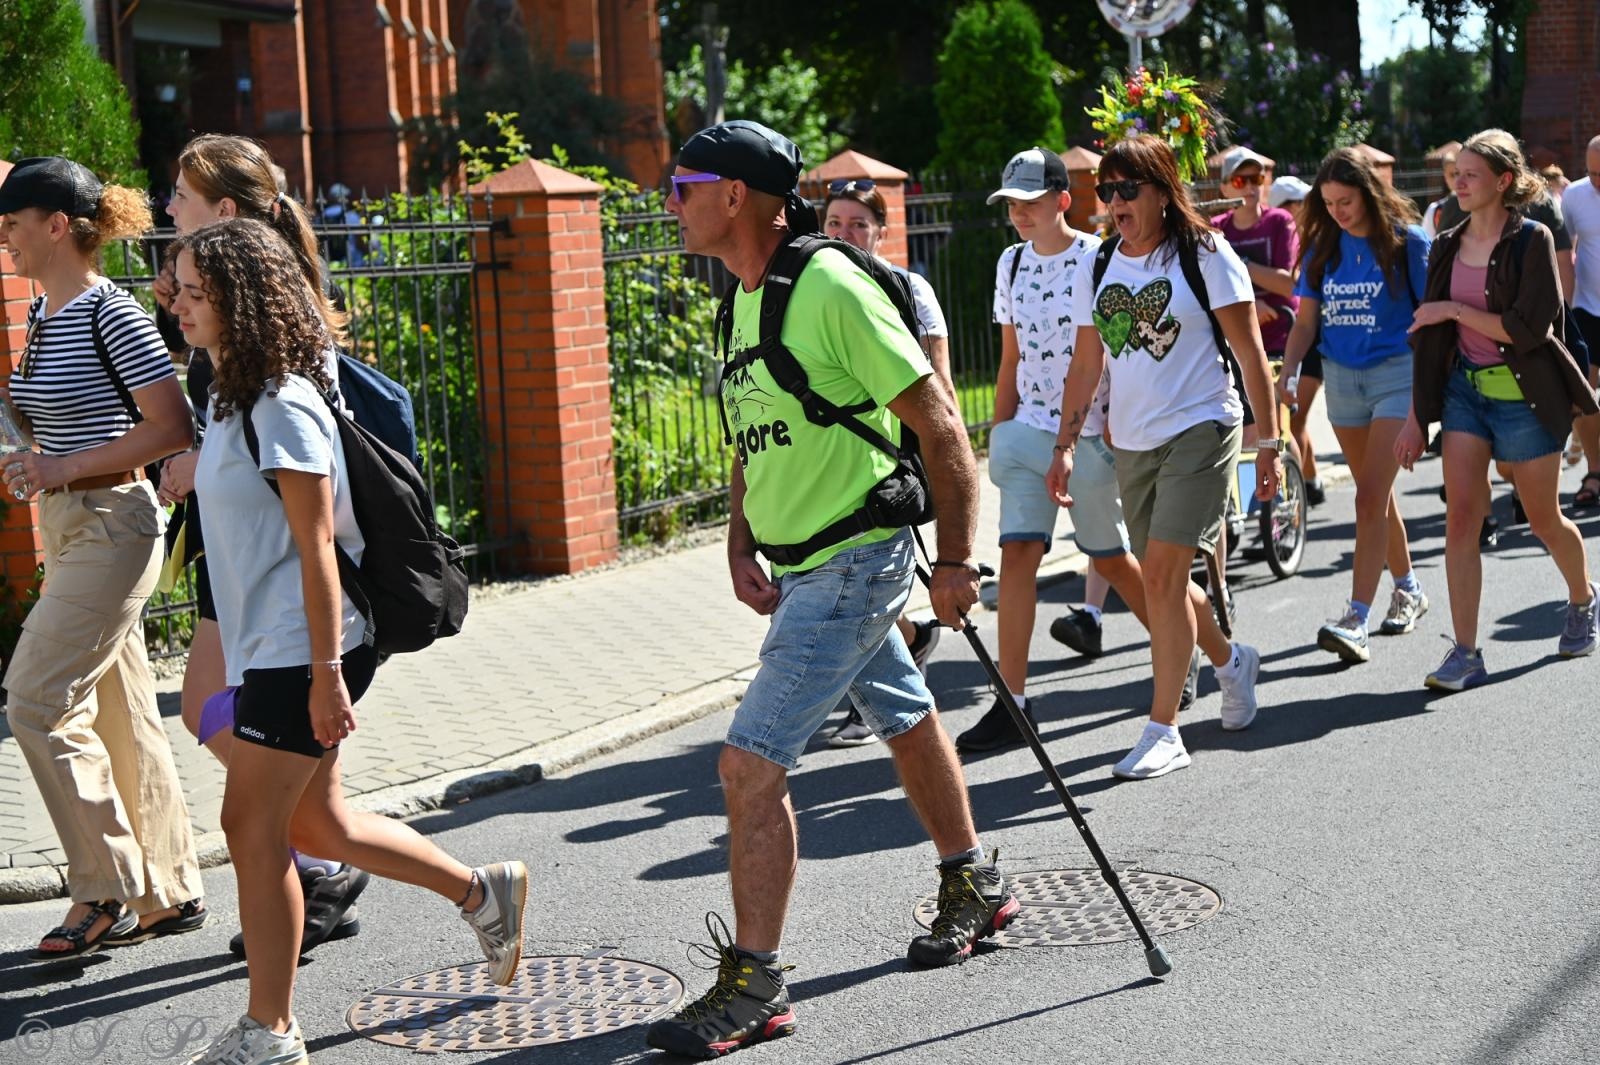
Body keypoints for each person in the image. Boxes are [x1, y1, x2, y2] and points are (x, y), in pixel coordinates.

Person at [649, 120, 1014, 1056]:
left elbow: (941, 426)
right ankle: (973, 880)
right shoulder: (740, 298)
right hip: (803, 559)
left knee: (748, 764)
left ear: (737, 195)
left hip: (859, 555)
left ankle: (756, 983)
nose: (670, 198)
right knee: (903, 712)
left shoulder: (831, 286)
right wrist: (739, 542)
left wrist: (959, 560)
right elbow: (751, 432)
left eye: (683, 182)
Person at [168, 218, 527, 1065]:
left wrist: (328, 673)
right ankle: (484, 891)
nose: (174, 302)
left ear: (239, 301)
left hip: (309, 645)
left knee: (250, 825)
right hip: (276, 645)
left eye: (192, 291)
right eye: (176, 286)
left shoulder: (283, 404)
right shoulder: (227, 391)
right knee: (317, 822)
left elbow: (317, 548)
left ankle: (272, 1028)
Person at [155, 133, 370, 957]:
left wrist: (325, 668)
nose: (169, 204)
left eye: (181, 193)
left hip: (279, 570)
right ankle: (319, 856)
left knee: (231, 729)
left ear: (227, 211)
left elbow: (296, 472)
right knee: (248, 739)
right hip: (244, 553)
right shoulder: (229, 297)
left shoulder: (267, 313)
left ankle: (316, 863)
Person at [0, 157, 205, 957]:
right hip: (70, 522)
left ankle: (103, 886)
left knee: (36, 699)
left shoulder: (106, 311)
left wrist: (60, 466)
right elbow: (56, 421)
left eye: (13, 225)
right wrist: (32, 452)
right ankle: (167, 888)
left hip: (114, 522)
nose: (5, 240)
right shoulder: (45, 315)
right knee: (119, 715)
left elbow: (173, 427)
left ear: (57, 226)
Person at [1045, 134, 1279, 780]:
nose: (1115, 202)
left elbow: (1252, 352)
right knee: (1161, 580)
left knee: (1163, 576)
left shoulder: (1203, 254)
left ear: (1161, 191)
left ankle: (1163, 728)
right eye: (1107, 190)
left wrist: (1271, 442)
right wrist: (1064, 445)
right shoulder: (1100, 266)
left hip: (1203, 426)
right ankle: (1234, 662)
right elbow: (1087, 361)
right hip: (1134, 439)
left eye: (1129, 189)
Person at [959, 147, 1161, 753]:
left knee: (1111, 557)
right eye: (1012, 203)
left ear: (1062, 201)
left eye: (1032, 201)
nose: (1020, 213)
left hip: (1089, 435)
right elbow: (1010, 356)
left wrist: (1072, 440)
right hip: (1025, 431)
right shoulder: (1012, 263)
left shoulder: (1098, 260)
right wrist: (999, 431)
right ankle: (1013, 704)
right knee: (1017, 555)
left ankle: (1181, 655)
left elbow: (1091, 357)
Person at [1396, 128, 1600, 688]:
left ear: (1503, 181)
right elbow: (1430, 338)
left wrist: (1452, 311)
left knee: (1542, 520)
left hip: (1527, 398)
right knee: (1462, 517)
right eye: (1455, 173)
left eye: (1471, 175)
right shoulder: (1444, 242)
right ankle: (1466, 651)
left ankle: (1582, 599)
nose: (1458, 182)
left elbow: (1528, 330)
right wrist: (1419, 416)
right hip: (1466, 393)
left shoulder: (1531, 239)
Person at [1280, 147, 1432, 664]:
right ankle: (1408, 589)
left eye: (1345, 200)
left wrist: (1427, 398)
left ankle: (1356, 619)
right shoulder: (1324, 248)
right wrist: (1288, 372)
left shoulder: (1407, 242)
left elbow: (1431, 318)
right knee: (1378, 497)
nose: (1338, 211)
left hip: (1396, 374)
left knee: (1367, 499)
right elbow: (1304, 322)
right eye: (1328, 203)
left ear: (1368, 192)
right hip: (1343, 380)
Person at [817, 178, 948, 746]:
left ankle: (877, 706)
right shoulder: (811, 286)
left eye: (858, 225)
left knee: (862, 581)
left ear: (882, 232)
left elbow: (938, 382)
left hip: (891, 460)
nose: (845, 235)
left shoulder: (907, 288)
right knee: (850, 582)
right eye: (834, 224)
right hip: (832, 459)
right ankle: (913, 640)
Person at [1267, 174, 1327, 504]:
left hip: (1308, 338)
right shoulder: (1284, 239)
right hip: (1290, 339)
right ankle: (1311, 482)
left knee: (1293, 421)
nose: (1308, 207)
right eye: (1300, 202)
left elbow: (1291, 288)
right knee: (1292, 420)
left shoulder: (1315, 240)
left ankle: (1295, 499)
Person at [1561, 135, 1600, 507]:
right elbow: (1562, 248)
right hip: (1587, 308)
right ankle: (1595, 471)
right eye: (1591, 173)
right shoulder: (1574, 195)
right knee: (1583, 394)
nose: (1597, 180)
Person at [1423, 145, 1462, 238]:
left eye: (1460, 174)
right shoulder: (1435, 210)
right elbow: (1429, 246)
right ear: (1445, 176)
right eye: (1452, 175)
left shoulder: (1483, 208)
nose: (1458, 181)